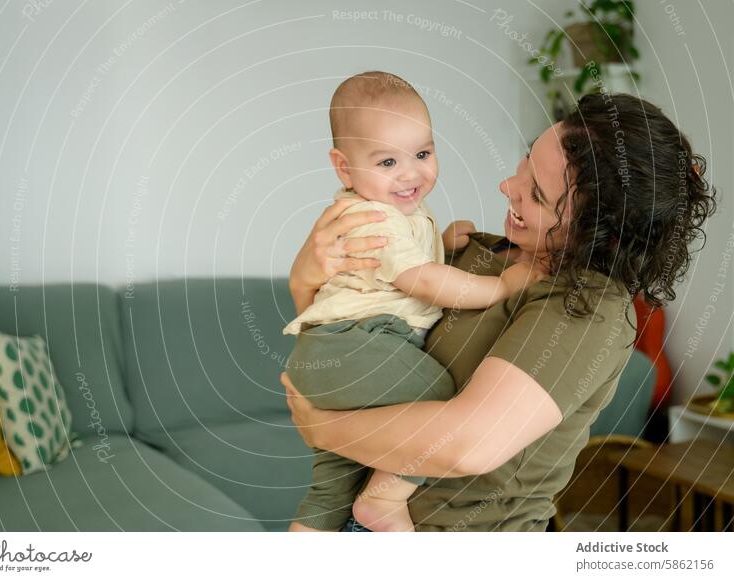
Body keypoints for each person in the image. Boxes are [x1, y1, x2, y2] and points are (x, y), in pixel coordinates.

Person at [282, 92, 717, 532]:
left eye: (537, 195)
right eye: (524, 163)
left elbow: (469, 444)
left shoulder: (589, 308)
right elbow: (341, 330)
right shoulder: (477, 252)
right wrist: (303, 277)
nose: (506, 187)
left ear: (598, 233)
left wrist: (320, 429)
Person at [283, 71, 541, 532]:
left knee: (333, 486)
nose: (411, 173)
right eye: (386, 162)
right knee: (439, 408)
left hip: (332, 352)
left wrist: (441, 240)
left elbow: (395, 267)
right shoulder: (373, 217)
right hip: (356, 346)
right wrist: (501, 287)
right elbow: (420, 280)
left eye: (422, 153)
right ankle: (385, 500)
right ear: (344, 166)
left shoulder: (392, 210)